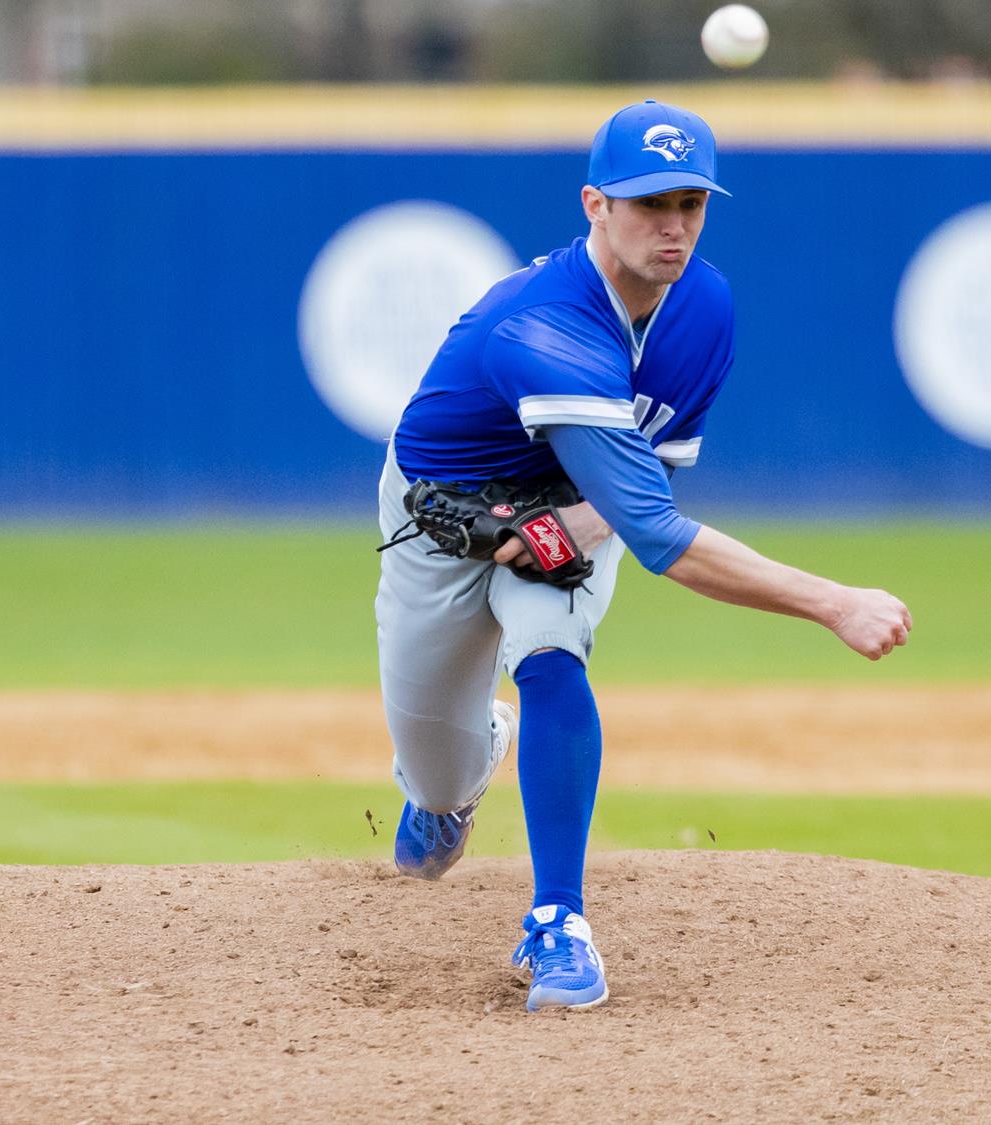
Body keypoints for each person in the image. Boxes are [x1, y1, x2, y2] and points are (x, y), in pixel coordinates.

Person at [375, 99, 911, 1012]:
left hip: (577, 506)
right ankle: (466, 767)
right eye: (648, 203)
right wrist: (832, 600)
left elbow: (644, 485)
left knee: (550, 658)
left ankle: (557, 925)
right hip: (442, 522)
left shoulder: (704, 305)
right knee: (433, 791)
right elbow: (663, 535)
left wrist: (575, 529)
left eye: (690, 204)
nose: (673, 227)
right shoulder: (545, 327)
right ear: (594, 204)